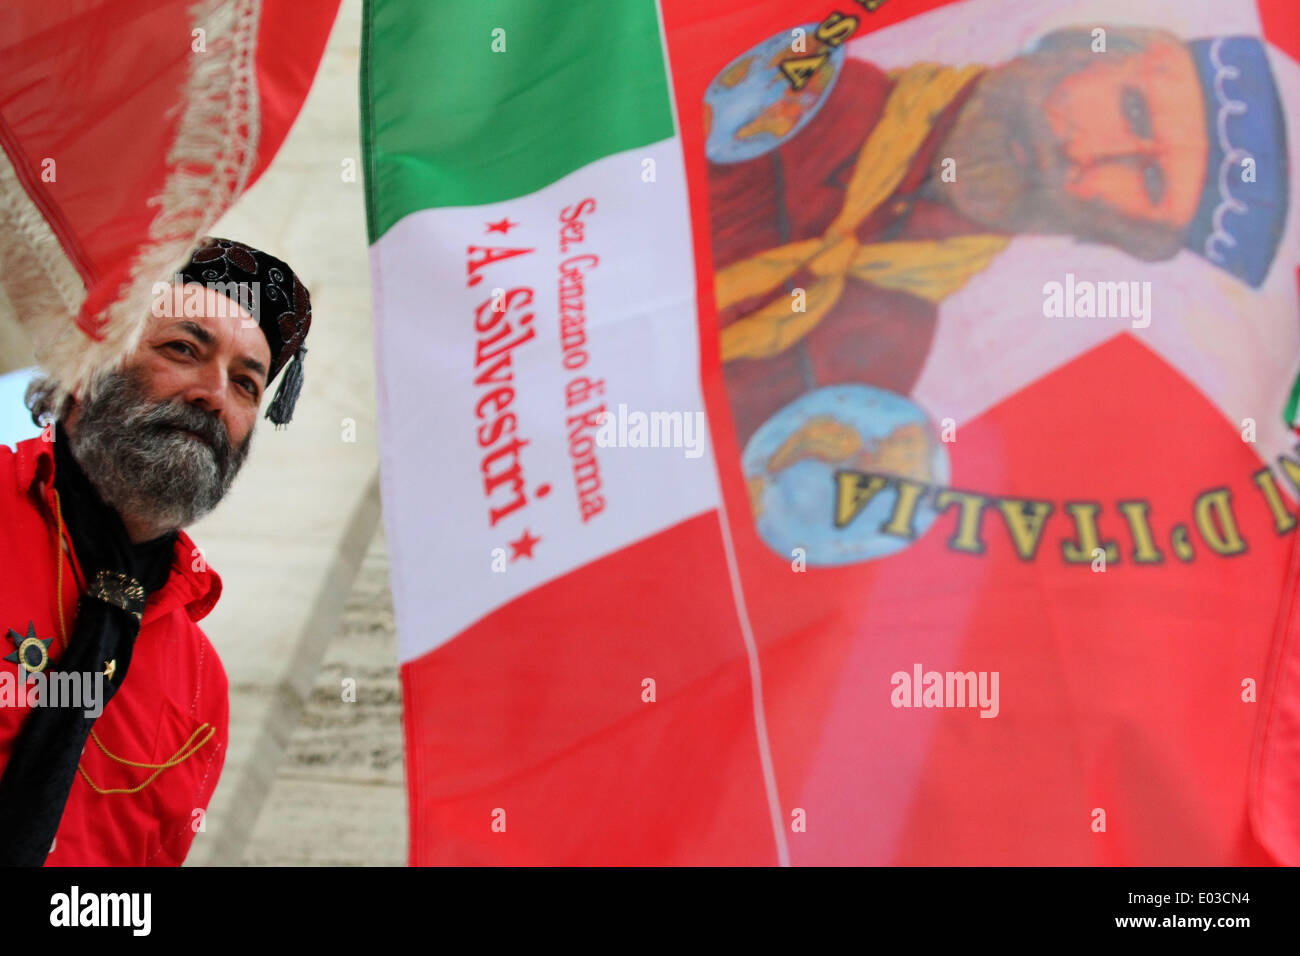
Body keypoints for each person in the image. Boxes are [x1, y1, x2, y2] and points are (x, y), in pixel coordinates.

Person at [707, 26, 1287, 444]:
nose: (1085, 154)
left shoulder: (882, 357)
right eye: (1132, 110)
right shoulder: (793, 88)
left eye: (1149, 179)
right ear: (1091, 50)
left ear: (1125, 238)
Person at [0, 237, 311, 865]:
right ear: (91, 366)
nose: (213, 394)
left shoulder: (202, 690)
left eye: (247, 384)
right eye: (183, 349)